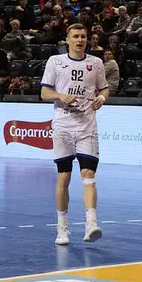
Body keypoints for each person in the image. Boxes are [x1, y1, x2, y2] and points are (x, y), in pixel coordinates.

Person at [41, 23, 108, 246]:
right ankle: (62, 228)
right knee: (64, 177)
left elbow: (104, 88)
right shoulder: (55, 62)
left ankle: (91, 223)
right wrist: (61, 95)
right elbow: (44, 92)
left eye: (83, 36)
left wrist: (102, 98)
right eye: (76, 36)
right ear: (67, 40)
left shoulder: (96, 63)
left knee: (89, 174)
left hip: (88, 126)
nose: (80, 40)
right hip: (63, 125)